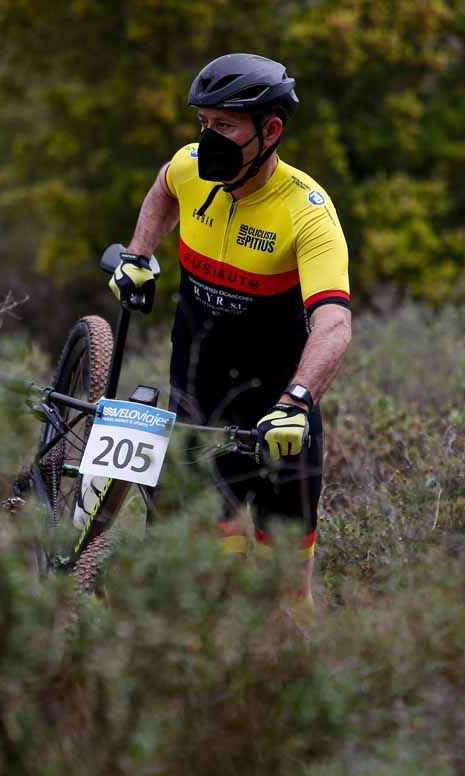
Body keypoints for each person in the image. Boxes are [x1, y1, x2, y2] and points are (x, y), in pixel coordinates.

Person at [109, 53, 351, 603]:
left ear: (270, 131)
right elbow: (164, 189)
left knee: (285, 599)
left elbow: (334, 323)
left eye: (224, 126)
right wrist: (139, 254)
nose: (207, 138)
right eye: (203, 123)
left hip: (277, 424)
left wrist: (296, 402)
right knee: (192, 585)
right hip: (195, 407)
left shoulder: (306, 213)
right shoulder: (191, 169)